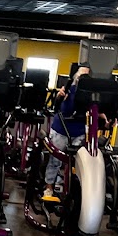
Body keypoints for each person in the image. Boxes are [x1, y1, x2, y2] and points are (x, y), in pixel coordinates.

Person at [43, 66, 90, 198]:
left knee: (77, 164)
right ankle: (49, 188)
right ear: (76, 78)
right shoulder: (69, 90)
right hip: (61, 130)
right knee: (55, 161)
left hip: (79, 132)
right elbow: (63, 109)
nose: (83, 79)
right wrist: (60, 98)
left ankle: (72, 191)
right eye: (81, 76)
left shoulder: (91, 95)